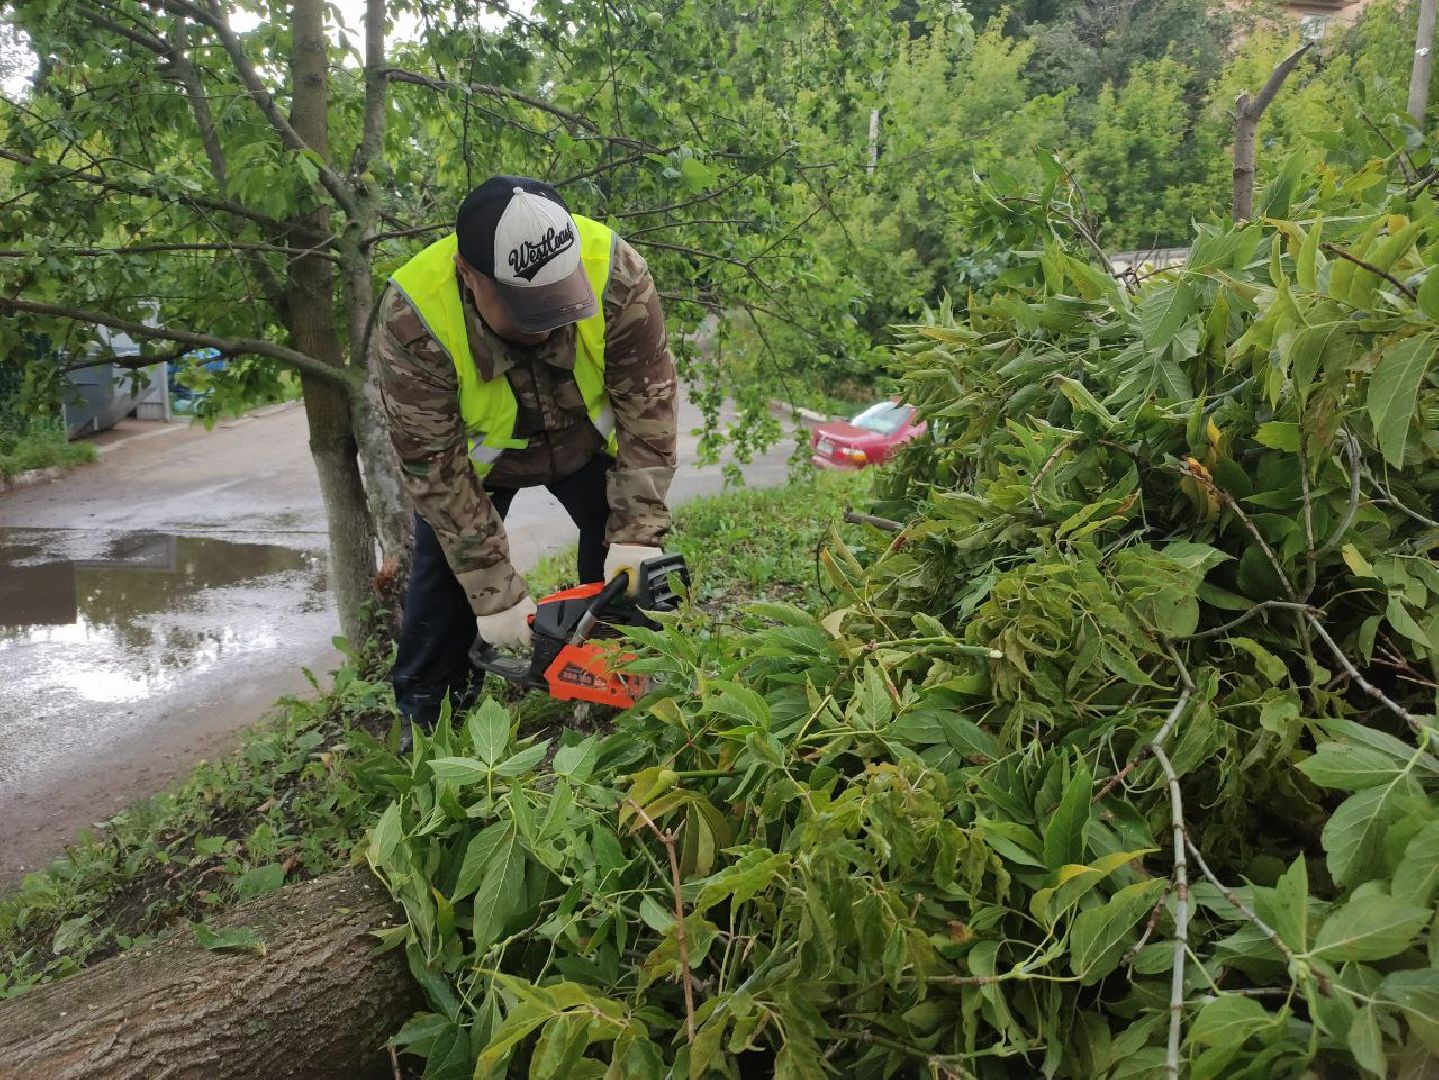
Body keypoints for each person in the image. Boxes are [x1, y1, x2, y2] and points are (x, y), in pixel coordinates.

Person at [372, 175, 677, 732]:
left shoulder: (615, 272)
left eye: (559, 301)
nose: (548, 323)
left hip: (585, 442)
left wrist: (637, 530)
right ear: (469, 275)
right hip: (476, 467)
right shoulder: (414, 317)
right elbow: (433, 468)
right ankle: (428, 724)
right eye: (526, 307)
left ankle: (621, 698)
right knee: (445, 591)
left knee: (627, 577)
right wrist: (492, 588)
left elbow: (648, 406)